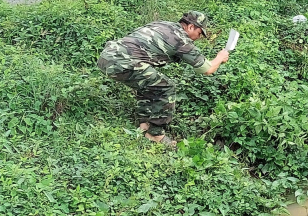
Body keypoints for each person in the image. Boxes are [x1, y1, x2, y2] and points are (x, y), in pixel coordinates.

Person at [97, 11, 229, 146]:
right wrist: (220, 57)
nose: (199, 38)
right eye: (200, 33)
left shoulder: (162, 24)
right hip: (121, 63)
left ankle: (144, 124)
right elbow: (207, 69)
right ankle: (155, 134)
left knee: (150, 82)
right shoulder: (181, 40)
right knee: (166, 87)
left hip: (106, 56)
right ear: (190, 27)